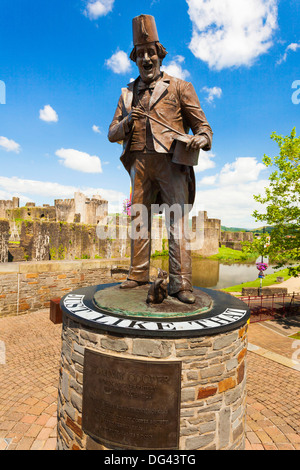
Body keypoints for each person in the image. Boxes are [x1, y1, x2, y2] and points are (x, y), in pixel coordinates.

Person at [108, 14, 213, 304]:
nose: (146, 58)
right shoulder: (127, 94)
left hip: (172, 163)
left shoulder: (180, 87)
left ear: (160, 55)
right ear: (135, 59)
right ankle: (138, 273)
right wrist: (128, 122)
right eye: (140, 54)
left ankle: (182, 283)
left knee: (176, 222)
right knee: (138, 220)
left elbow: (203, 127)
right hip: (139, 164)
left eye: (150, 53)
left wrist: (201, 139)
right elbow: (112, 133)